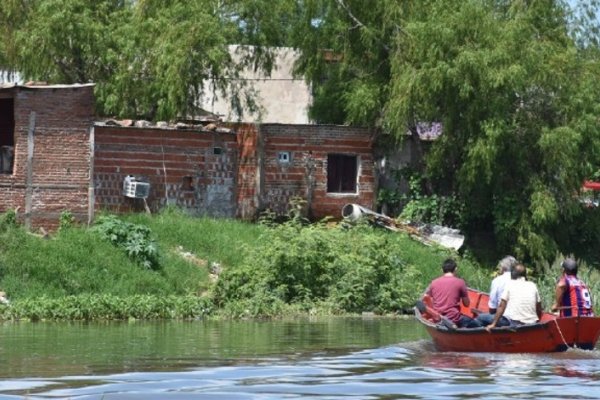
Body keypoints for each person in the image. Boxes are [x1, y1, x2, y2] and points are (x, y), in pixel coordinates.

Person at [425, 258, 482, 328]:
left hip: (438, 318)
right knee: (477, 324)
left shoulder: (433, 283)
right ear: (455, 269)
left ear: (442, 270)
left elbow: (429, 300)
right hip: (454, 319)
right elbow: (466, 304)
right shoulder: (460, 282)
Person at [485, 263, 542, 330]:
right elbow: (539, 308)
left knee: (481, 318)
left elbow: (501, 306)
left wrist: (493, 324)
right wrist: (537, 323)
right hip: (531, 323)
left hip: (513, 323)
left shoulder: (510, 284)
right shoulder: (533, 285)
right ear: (525, 275)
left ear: (512, 275)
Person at [474, 256, 517, 326]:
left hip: (505, 319)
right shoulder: (520, 281)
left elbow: (492, 308)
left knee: (479, 318)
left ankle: (478, 336)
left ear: (503, 267)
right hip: (520, 319)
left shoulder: (497, 281)